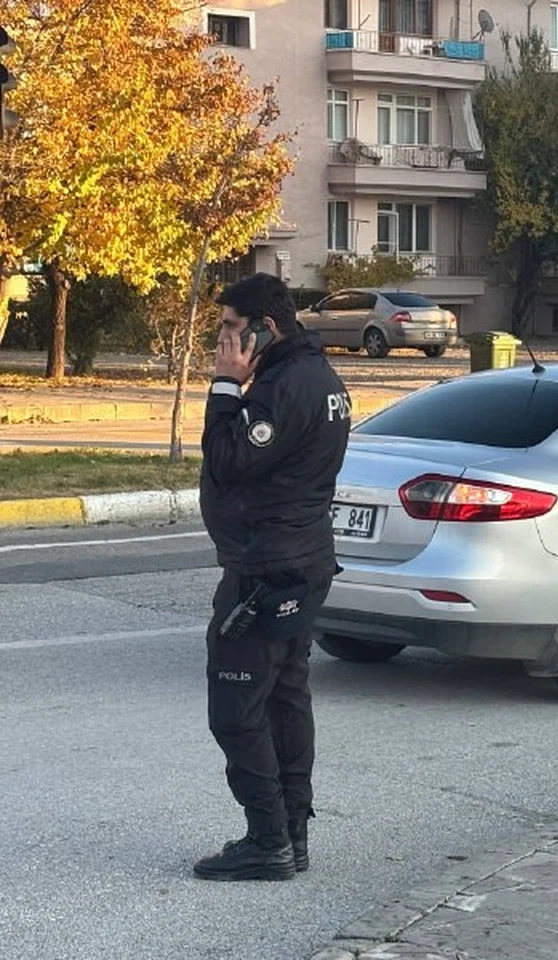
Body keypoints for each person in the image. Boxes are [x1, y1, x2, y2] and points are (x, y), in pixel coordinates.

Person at [194, 273, 351, 882]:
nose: (223, 341)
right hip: (297, 561)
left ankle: (267, 840)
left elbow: (230, 460)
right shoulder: (313, 375)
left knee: (237, 709)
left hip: (268, 569)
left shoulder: (284, 386)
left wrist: (225, 386)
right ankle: (290, 836)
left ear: (265, 327)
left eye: (232, 329)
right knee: (285, 699)